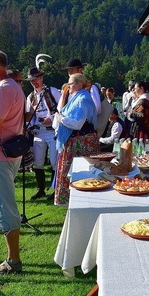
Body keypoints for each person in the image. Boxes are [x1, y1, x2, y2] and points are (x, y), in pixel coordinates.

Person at [0, 50, 26, 275]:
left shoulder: (3, 89)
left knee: (6, 207)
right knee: (4, 205)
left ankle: (13, 260)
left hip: (0, 156)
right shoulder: (12, 86)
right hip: (8, 153)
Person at [54, 73, 100, 206]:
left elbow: (77, 123)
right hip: (76, 140)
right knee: (73, 172)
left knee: (82, 172)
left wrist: (60, 118)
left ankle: (84, 202)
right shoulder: (77, 97)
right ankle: (76, 202)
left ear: (80, 85)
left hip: (82, 141)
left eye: (71, 83)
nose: (69, 86)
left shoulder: (83, 99)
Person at [25, 67, 61, 201]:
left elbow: (62, 109)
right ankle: (40, 189)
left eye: (36, 79)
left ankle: (54, 189)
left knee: (54, 161)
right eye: (31, 81)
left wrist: (50, 119)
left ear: (41, 78)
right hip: (39, 132)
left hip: (52, 131)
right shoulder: (30, 97)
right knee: (37, 162)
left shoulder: (52, 91)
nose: (34, 82)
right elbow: (29, 116)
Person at [129, 81, 149, 152]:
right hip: (143, 128)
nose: (134, 90)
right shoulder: (144, 100)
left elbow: (140, 115)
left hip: (141, 130)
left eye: (135, 88)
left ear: (141, 88)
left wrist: (131, 113)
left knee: (141, 151)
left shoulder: (142, 101)